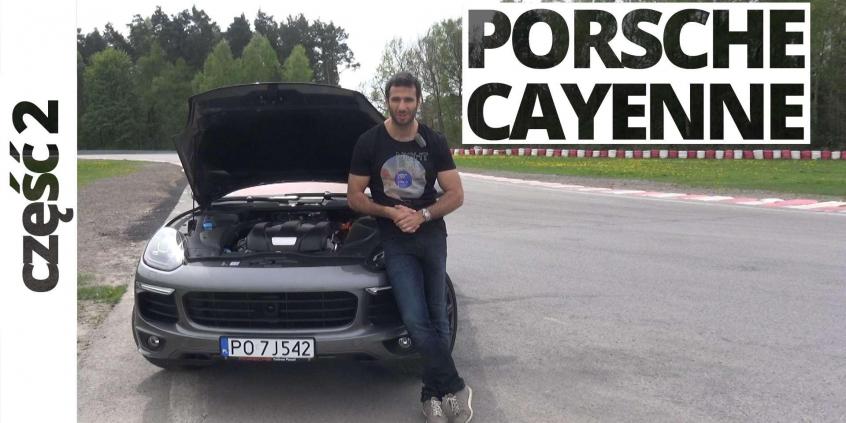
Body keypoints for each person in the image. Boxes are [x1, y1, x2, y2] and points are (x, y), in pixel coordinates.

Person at [347, 72, 472, 423]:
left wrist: (423, 215)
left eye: (408, 100)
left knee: (438, 317)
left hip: (431, 235)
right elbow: (354, 196)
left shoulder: (433, 141)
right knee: (416, 320)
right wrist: (390, 212)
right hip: (394, 239)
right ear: (387, 100)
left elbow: (456, 194)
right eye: (396, 99)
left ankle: (432, 395)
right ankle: (456, 385)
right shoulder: (369, 142)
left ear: (418, 101)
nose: (402, 106)